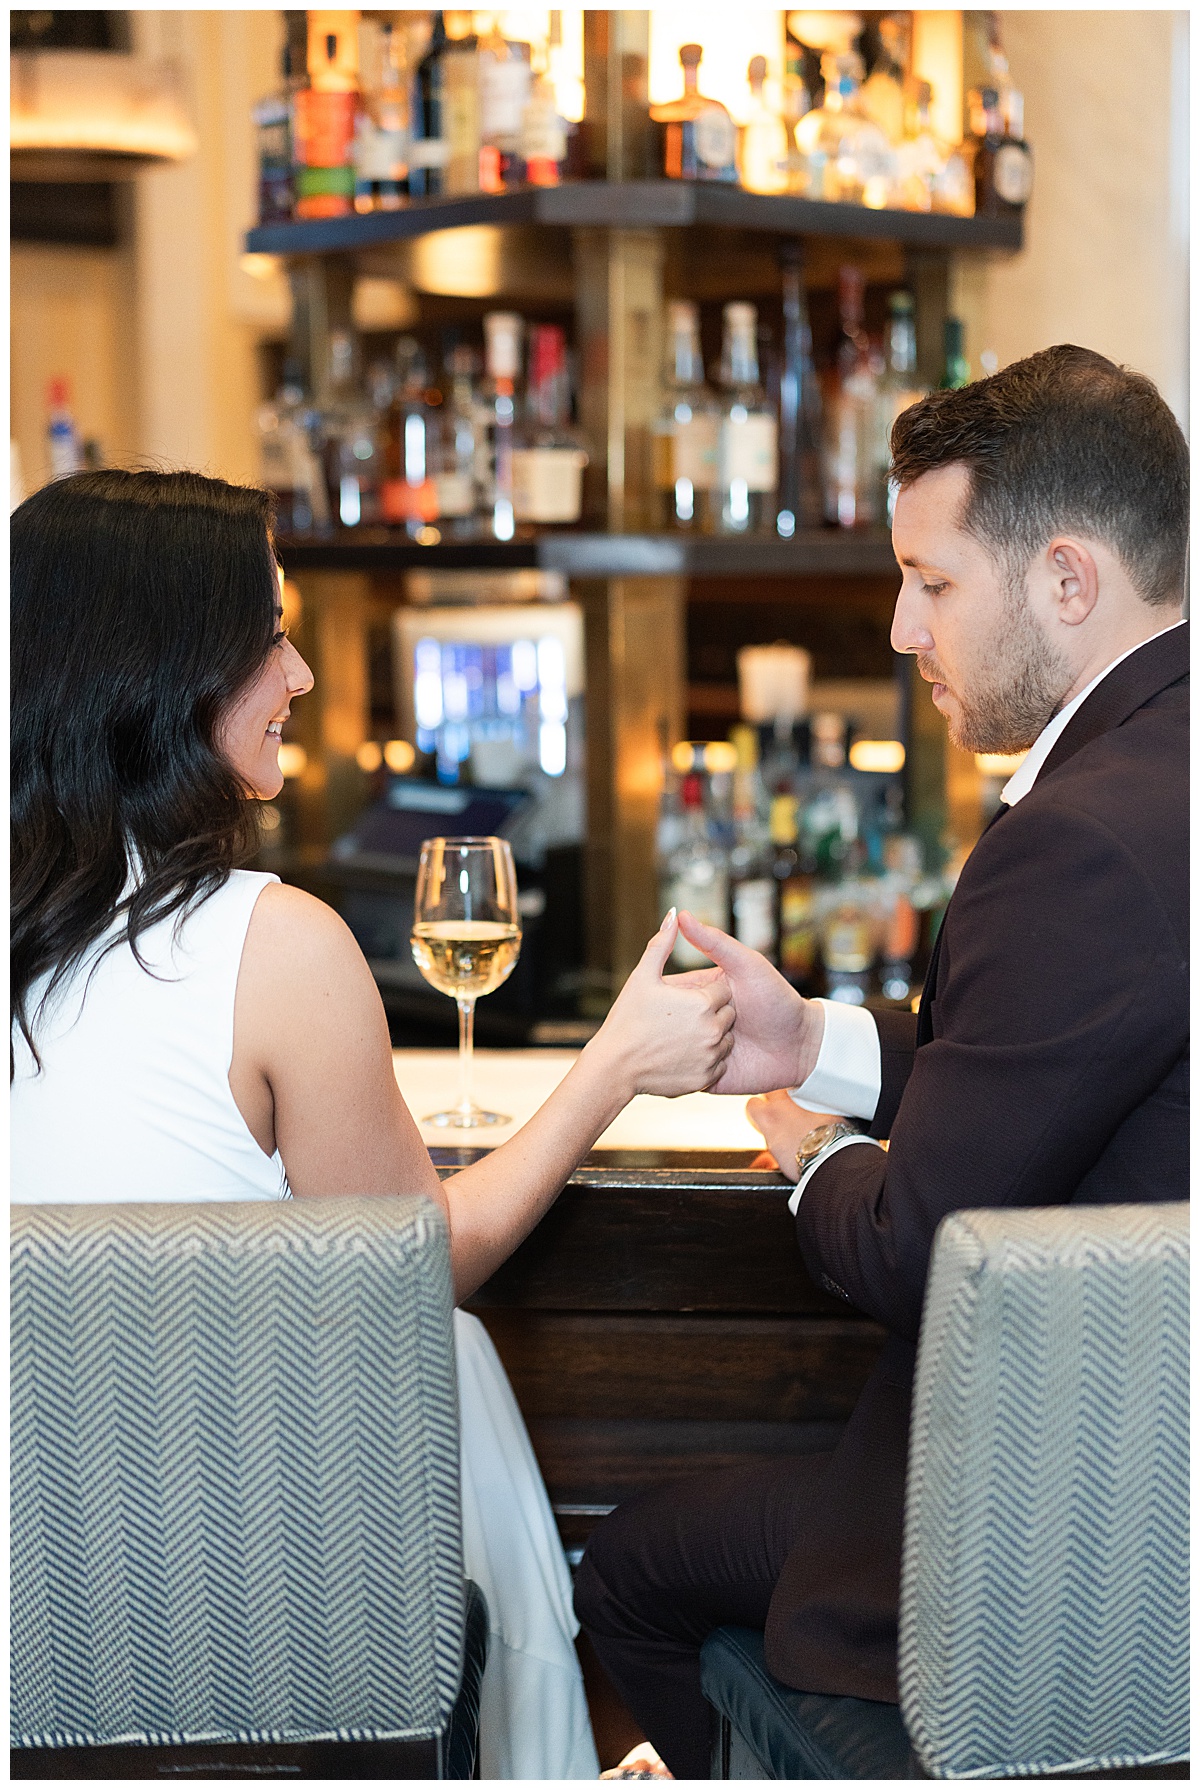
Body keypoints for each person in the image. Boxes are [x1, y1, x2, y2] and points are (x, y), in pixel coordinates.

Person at [10, 468, 736, 1781]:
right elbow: (423, 1259)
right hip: (263, 1623)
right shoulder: (272, 944)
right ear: (167, 672)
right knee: (446, 1350)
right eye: (271, 637)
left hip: (40, 1624)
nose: (298, 675)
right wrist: (617, 1061)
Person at [574, 344, 1189, 1778]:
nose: (903, 624)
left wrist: (812, 1154)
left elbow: (916, 1245)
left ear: (1066, 581)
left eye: (933, 580)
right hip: (1165, 1490)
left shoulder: (1078, 841)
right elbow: (1056, 1061)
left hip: (1051, 1533)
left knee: (633, 1566)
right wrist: (819, 1043)